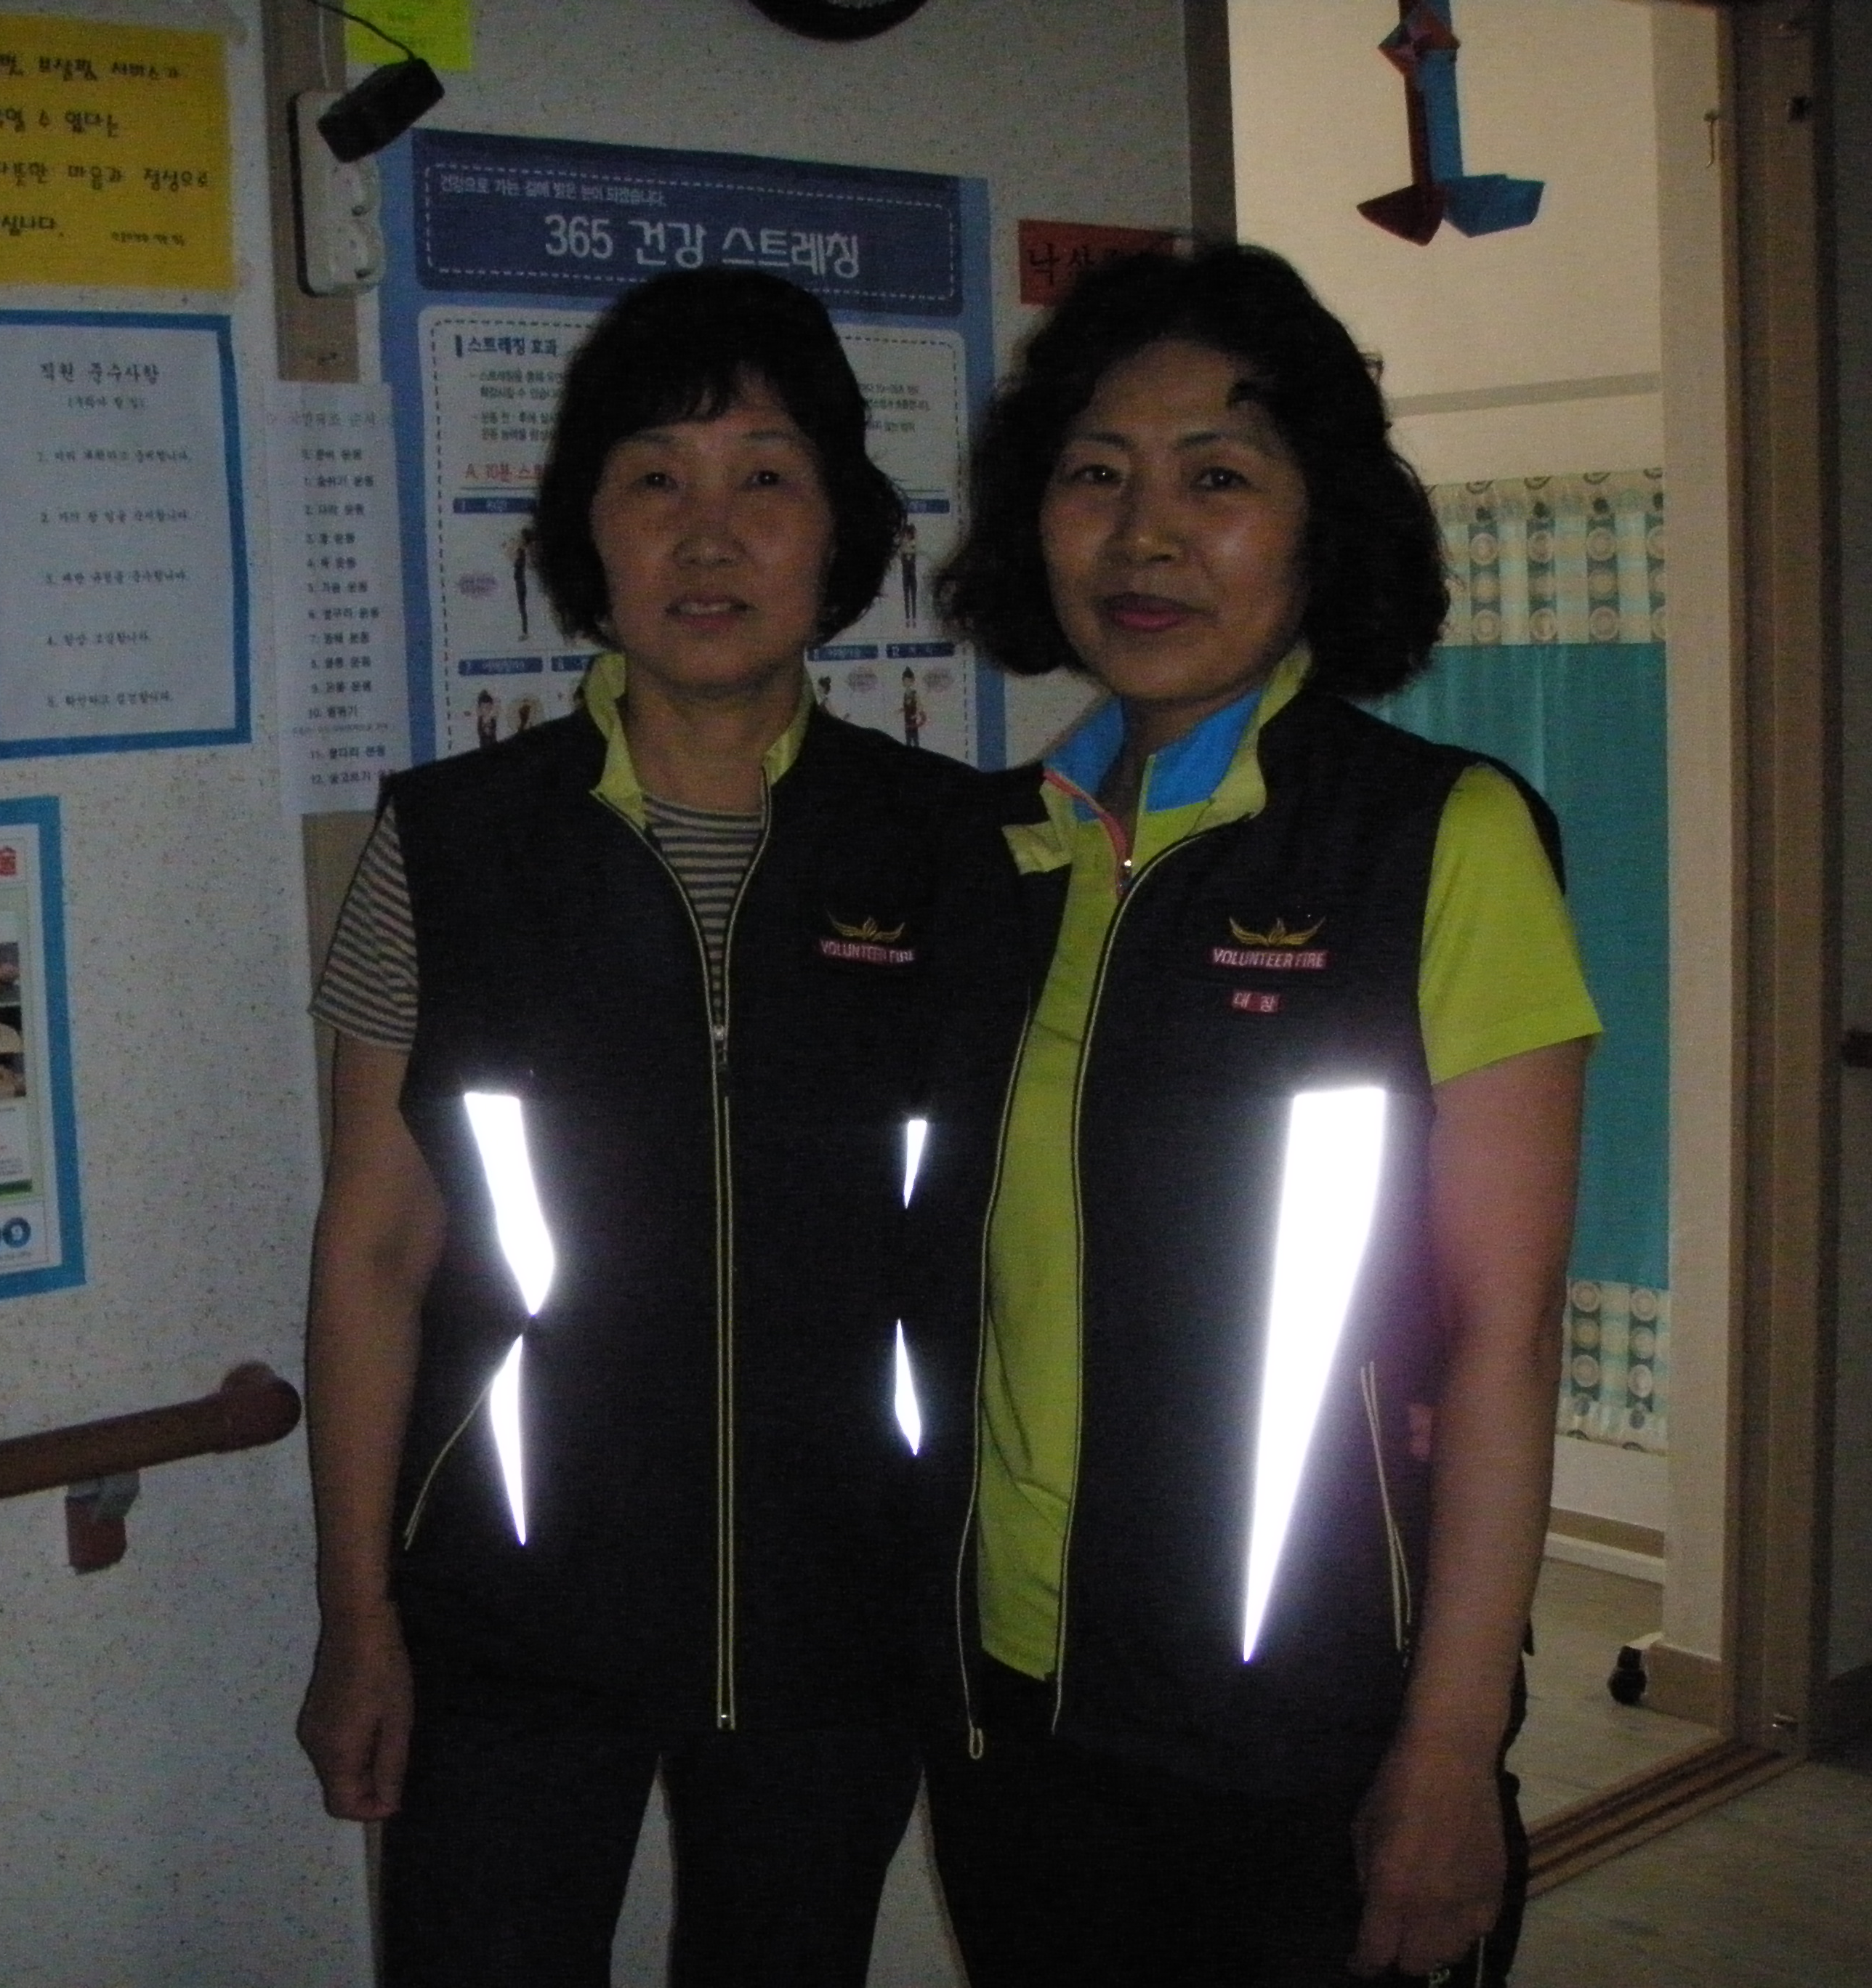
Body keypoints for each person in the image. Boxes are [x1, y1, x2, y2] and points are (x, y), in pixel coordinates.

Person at [296, 266, 1011, 1987]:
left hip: (845, 1610)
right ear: (586, 535)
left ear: (841, 530)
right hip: (507, 1609)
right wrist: (357, 1613)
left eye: (765, 476)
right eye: (653, 479)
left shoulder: (958, 852)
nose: (709, 535)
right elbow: (374, 1251)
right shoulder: (451, 847)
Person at [915, 244, 1598, 1985]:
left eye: (1217, 479)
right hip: (1017, 1705)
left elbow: (1508, 1335)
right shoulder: (995, 857)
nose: (1143, 538)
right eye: (1095, 476)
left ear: (1320, 525)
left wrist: (1450, 1748)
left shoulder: (1434, 840)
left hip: (1317, 1724)